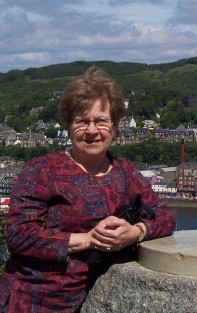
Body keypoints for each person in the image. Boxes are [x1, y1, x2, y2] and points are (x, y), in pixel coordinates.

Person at [0, 67, 176, 312]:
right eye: (82, 121)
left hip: (102, 300)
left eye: (101, 121)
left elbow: (165, 217)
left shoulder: (126, 171)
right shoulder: (42, 170)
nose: (92, 130)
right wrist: (88, 239)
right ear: (69, 125)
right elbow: (20, 235)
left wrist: (134, 232)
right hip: (36, 300)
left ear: (115, 126)